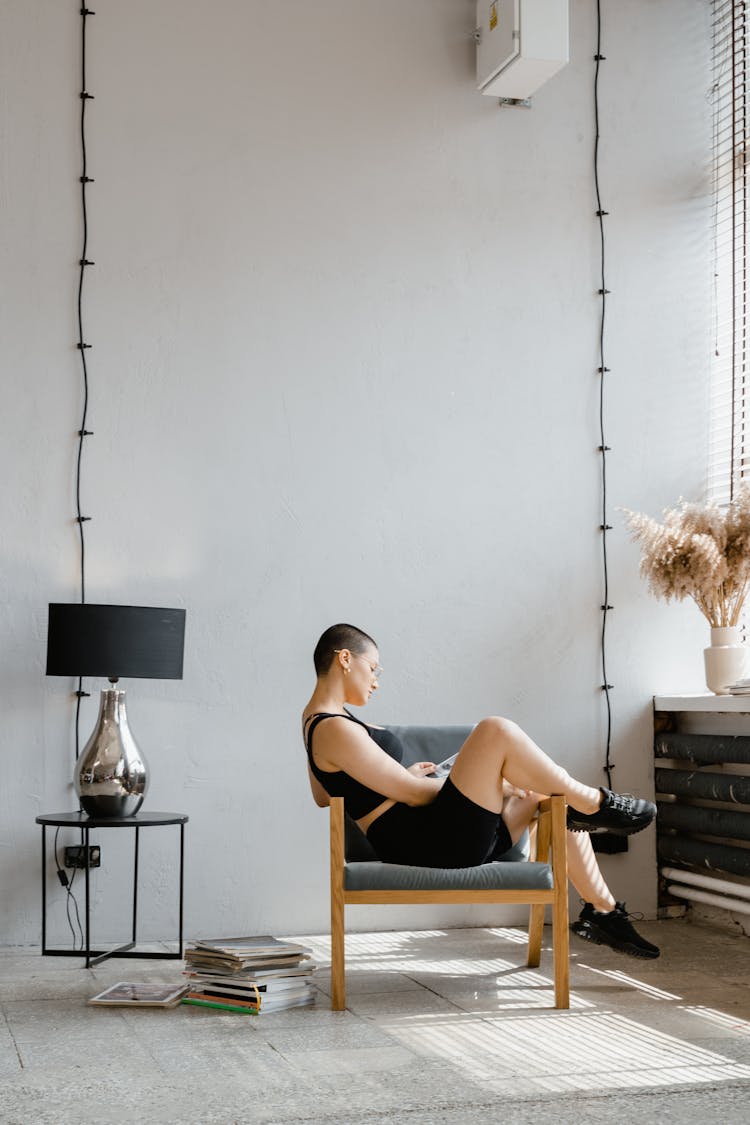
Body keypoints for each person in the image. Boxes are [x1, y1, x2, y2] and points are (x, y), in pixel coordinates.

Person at [303, 623, 660, 960]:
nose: (376, 682)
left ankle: (604, 912)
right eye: (374, 668)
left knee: (547, 797)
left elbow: (324, 795)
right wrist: (458, 783)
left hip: (446, 838)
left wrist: (399, 774)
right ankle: (599, 802)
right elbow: (412, 795)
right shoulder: (333, 728)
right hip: (428, 842)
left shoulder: (317, 721)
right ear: (345, 658)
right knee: (495, 730)